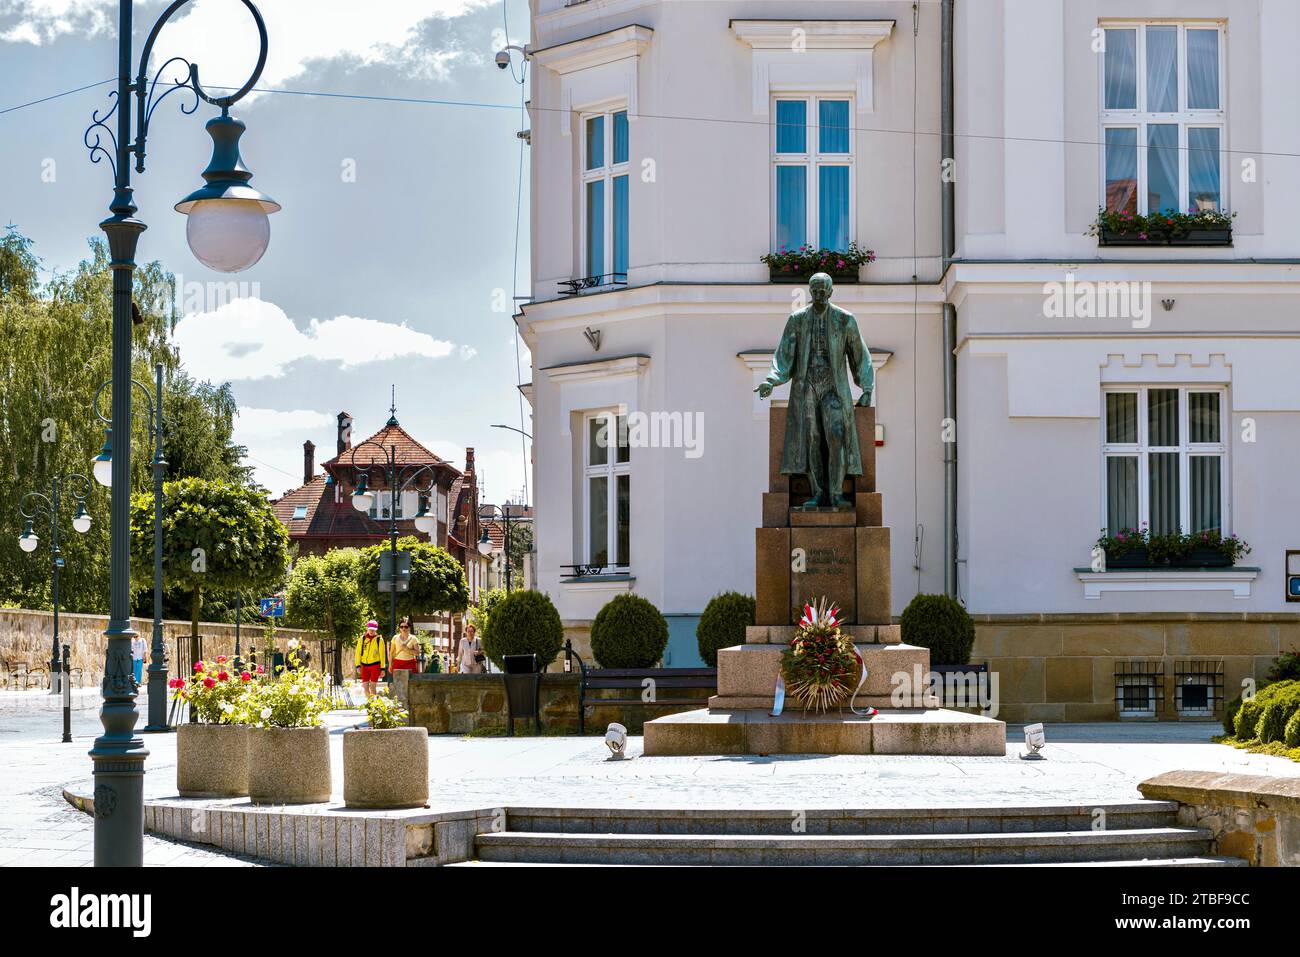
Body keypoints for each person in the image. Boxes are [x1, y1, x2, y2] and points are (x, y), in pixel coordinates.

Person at [353, 620, 389, 699]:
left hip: (375, 666)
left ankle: (374, 706)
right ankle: (370, 703)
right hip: (364, 666)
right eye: (370, 629)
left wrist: (382, 669)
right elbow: (358, 653)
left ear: (376, 630)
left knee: (372, 687)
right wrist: (358, 665)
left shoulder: (379, 640)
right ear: (367, 628)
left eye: (373, 629)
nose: (371, 631)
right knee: (365, 688)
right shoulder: (362, 639)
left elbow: (382, 655)